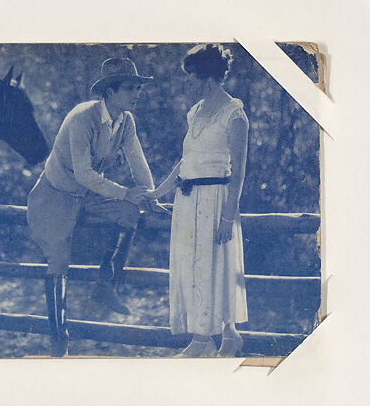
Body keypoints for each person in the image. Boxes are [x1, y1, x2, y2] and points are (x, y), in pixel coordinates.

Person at [27, 57, 159, 356]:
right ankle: (59, 338)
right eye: (130, 87)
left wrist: (149, 197)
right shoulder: (82, 119)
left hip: (89, 193)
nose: (137, 92)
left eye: (138, 87)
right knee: (58, 261)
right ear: (110, 93)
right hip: (55, 194)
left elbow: (137, 161)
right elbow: (84, 173)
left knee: (130, 211)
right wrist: (126, 192)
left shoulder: (126, 120)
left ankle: (105, 284)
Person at [145, 44, 249, 357]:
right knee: (192, 268)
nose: (187, 83)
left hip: (216, 202)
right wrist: (157, 193)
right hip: (187, 201)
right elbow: (185, 161)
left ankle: (202, 342)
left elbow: (239, 173)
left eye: (190, 77)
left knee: (212, 267)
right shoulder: (195, 112)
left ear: (205, 78)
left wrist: (227, 219)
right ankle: (228, 336)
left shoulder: (235, 115)